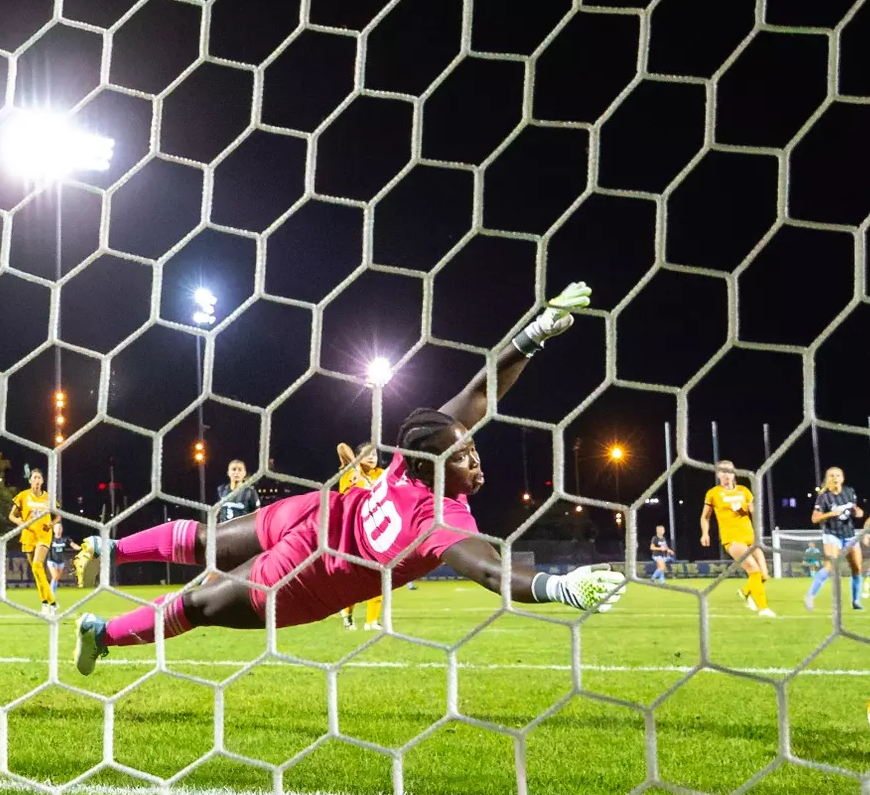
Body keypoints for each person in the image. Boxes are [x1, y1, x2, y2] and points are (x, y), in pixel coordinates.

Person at [70, 281, 624, 673]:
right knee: (201, 583)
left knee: (207, 570)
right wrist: (564, 589)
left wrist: (533, 335)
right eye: (463, 455)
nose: (475, 460)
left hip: (308, 545)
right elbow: (495, 571)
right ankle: (105, 594)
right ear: (430, 463)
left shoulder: (423, 480)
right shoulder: (434, 506)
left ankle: (105, 585)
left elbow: (482, 394)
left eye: (472, 449)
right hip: (307, 552)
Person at [701, 460, 774, 617]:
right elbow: (705, 517)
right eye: (723, 471)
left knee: (764, 574)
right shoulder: (713, 493)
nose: (727, 474)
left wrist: (753, 513)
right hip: (732, 539)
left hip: (751, 538)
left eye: (729, 471)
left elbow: (754, 513)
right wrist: (705, 533)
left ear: (734, 473)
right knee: (753, 570)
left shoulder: (744, 491)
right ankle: (764, 609)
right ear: (718, 474)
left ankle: (745, 592)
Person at [334, 442, 387, 630]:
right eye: (366, 454)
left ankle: (372, 621)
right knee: (353, 579)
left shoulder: (382, 474)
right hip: (352, 533)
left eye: (374, 454)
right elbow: (341, 447)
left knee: (379, 575)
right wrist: (357, 468)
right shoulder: (349, 471)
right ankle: (347, 615)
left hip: (375, 532)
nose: (372, 457)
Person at [805, 466, 864, 613]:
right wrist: (830, 514)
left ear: (842, 478)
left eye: (838, 475)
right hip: (832, 534)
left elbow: (857, 512)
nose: (835, 478)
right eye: (832, 476)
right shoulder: (824, 496)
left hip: (849, 534)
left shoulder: (849, 492)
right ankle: (810, 596)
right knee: (830, 566)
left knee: (857, 567)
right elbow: (814, 518)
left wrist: (859, 513)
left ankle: (856, 601)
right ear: (827, 479)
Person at [11, 468, 58, 618]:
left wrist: (52, 523)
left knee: (38, 565)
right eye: (34, 477)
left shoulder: (48, 498)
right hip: (28, 535)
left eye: (39, 478)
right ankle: (44, 602)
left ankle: (53, 602)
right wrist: (19, 521)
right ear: (30, 480)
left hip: (43, 535)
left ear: (42, 481)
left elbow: (58, 517)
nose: (37, 480)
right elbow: (12, 515)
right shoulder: (23, 496)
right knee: (36, 571)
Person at [45, 521, 72, 588]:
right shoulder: (50, 538)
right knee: (55, 576)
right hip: (51, 560)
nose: (58, 530)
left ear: (62, 530)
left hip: (61, 562)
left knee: (56, 579)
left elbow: (73, 545)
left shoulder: (65, 539)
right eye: (57, 528)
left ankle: (52, 593)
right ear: (54, 530)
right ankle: (51, 594)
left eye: (60, 528)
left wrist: (80, 548)